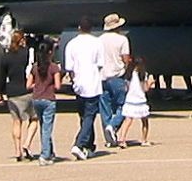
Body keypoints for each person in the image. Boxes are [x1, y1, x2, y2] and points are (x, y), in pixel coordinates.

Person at [63, 18, 105, 159]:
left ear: (79, 28)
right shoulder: (97, 42)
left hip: (79, 83)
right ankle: (79, 144)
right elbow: (100, 64)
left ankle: (89, 145)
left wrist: (74, 79)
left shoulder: (72, 44)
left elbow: (69, 67)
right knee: (89, 116)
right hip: (92, 82)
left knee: (84, 116)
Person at [97, 14, 131, 151]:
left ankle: (109, 137)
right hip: (117, 76)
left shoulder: (99, 40)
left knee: (105, 108)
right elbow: (126, 59)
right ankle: (113, 125)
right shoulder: (122, 39)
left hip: (102, 76)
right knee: (124, 106)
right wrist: (126, 70)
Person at [1, 32, 35, 160]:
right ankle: (27, 143)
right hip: (25, 89)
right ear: (22, 40)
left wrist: (1, 93)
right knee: (34, 119)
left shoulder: (6, 57)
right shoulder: (25, 53)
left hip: (12, 91)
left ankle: (17, 150)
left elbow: (2, 77)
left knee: (16, 122)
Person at [27, 40, 61, 162]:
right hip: (49, 99)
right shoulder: (54, 67)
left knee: (44, 127)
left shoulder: (35, 67)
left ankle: (50, 151)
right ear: (50, 52)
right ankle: (45, 154)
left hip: (36, 99)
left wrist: (37, 85)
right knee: (47, 128)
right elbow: (58, 86)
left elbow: (28, 85)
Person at [119, 55, 152, 146]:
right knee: (144, 121)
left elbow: (126, 88)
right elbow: (145, 88)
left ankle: (122, 139)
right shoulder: (143, 75)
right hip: (140, 99)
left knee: (128, 120)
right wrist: (150, 83)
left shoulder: (129, 74)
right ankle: (144, 140)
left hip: (130, 99)